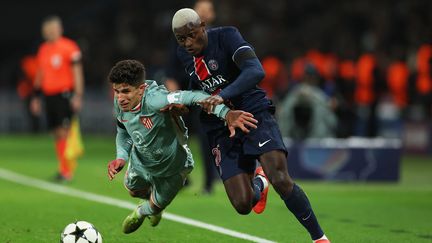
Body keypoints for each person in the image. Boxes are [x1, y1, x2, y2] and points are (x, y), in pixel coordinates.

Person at [171, 8, 330, 243]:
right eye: (181, 39)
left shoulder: (227, 36)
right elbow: (193, 91)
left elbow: (256, 70)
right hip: (220, 124)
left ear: (202, 26)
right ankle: (259, 182)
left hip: (252, 111)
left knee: (281, 178)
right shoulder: (183, 56)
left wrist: (222, 95)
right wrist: (182, 104)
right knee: (243, 204)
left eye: (191, 35)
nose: (187, 43)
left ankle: (319, 238)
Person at [106, 59, 258, 234]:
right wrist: (121, 157)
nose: (120, 98)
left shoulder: (158, 100)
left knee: (154, 207)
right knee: (133, 191)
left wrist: (226, 113)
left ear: (141, 90)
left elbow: (195, 96)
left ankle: (142, 212)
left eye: (126, 91)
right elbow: (123, 130)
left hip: (174, 165)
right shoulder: (119, 104)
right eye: (117, 91)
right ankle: (151, 200)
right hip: (141, 161)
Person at [165, 0, 218, 194]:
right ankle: (182, 177)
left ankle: (209, 183)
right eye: (200, 11)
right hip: (184, 94)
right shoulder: (180, 39)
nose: (203, 14)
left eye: (207, 11)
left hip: (207, 95)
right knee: (177, 136)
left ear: (211, 16)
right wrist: (173, 93)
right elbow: (170, 68)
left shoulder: (219, 37)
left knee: (207, 138)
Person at [30, 15, 85, 182]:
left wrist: (78, 95)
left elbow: (77, 73)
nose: (50, 32)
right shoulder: (43, 49)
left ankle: (67, 170)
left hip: (64, 94)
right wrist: (36, 97)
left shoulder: (70, 47)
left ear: (60, 29)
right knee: (55, 132)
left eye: (53, 29)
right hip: (48, 95)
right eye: (47, 30)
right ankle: (63, 168)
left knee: (64, 131)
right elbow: (40, 74)